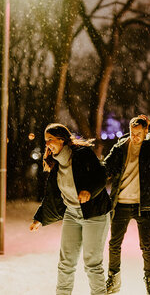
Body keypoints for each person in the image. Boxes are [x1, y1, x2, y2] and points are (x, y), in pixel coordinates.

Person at [30, 123, 111, 295]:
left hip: (95, 214)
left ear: (61, 139)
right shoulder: (56, 164)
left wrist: (89, 190)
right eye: (46, 141)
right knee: (66, 263)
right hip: (71, 214)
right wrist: (40, 218)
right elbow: (52, 195)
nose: (48, 145)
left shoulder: (82, 155)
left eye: (50, 140)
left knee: (92, 264)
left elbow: (101, 175)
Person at [103, 115, 150, 295]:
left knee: (146, 245)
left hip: (144, 205)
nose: (134, 137)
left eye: (138, 134)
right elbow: (105, 168)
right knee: (114, 244)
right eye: (132, 133)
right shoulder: (120, 147)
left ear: (145, 132)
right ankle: (113, 277)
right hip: (121, 203)